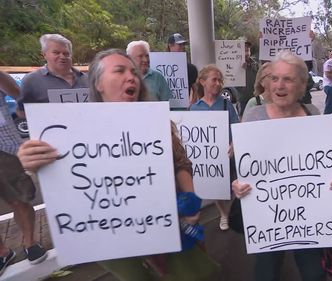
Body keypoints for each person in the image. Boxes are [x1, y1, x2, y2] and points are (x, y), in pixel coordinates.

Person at [16, 49, 217, 280]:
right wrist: (32, 161)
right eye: (119, 71)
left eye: (133, 72)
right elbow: (62, 177)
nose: (131, 77)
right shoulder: (72, 130)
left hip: (166, 224)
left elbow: (181, 162)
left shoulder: (156, 120)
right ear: (98, 84)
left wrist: (190, 203)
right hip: (112, 236)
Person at [233, 50, 332, 281]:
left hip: (308, 217)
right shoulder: (254, 116)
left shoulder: (313, 115)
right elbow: (245, 168)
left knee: (315, 274)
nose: (279, 85)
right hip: (266, 219)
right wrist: (238, 185)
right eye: (274, 78)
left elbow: (325, 164)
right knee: (266, 274)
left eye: (288, 79)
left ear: (302, 85)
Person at [0, 71, 47, 275]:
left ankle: (30, 242)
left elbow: (16, 92)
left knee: (20, 199)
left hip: (5, 148)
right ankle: (3, 252)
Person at [189, 65, 239, 231]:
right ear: (203, 82)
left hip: (228, 155)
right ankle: (224, 215)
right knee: (216, 188)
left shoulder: (226, 104)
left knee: (231, 187)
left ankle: (230, 212)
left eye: (220, 80)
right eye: (214, 80)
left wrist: (234, 144)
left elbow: (236, 127)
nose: (218, 83)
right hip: (210, 159)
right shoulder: (194, 109)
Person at [17, 34, 89, 117]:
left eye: (66, 53)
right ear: (44, 54)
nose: (62, 57)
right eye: (56, 52)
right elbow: (21, 112)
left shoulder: (88, 79)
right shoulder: (31, 81)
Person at [166, 33, 198, 105]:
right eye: (180, 45)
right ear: (170, 46)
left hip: (183, 108)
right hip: (165, 107)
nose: (183, 47)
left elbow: (195, 89)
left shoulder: (190, 68)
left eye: (183, 45)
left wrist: (193, 102)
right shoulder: (161, 66)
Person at [235, 37, 259, 117]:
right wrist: (239, 69)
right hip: (243, 100)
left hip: (255, 98)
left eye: (247, 50)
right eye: (243, 51)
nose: (246, 53)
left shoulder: (255, 64)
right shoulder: (233, 65)